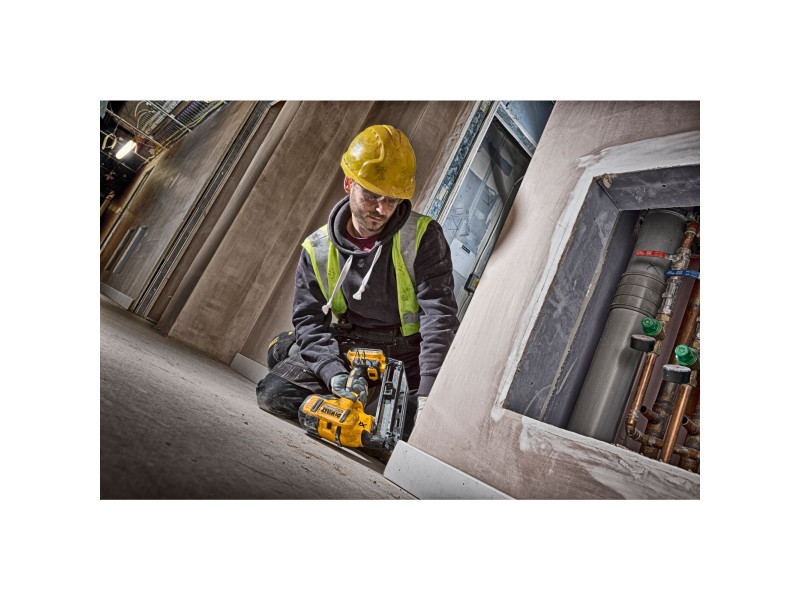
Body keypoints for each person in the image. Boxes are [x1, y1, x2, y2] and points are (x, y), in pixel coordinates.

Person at [256, 124, 458, 436]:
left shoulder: (423, 237)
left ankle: (356, 394)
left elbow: (439, 317)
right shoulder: (317, 248)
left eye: (392, 199)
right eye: (372, 195)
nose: (381, 209)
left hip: (405, 354)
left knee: (404, 434)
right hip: (350, 344)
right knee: (273, 394)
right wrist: (333, 372)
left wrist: (427, 395)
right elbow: (309, 319)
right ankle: (301, 356)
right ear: (349, 183)